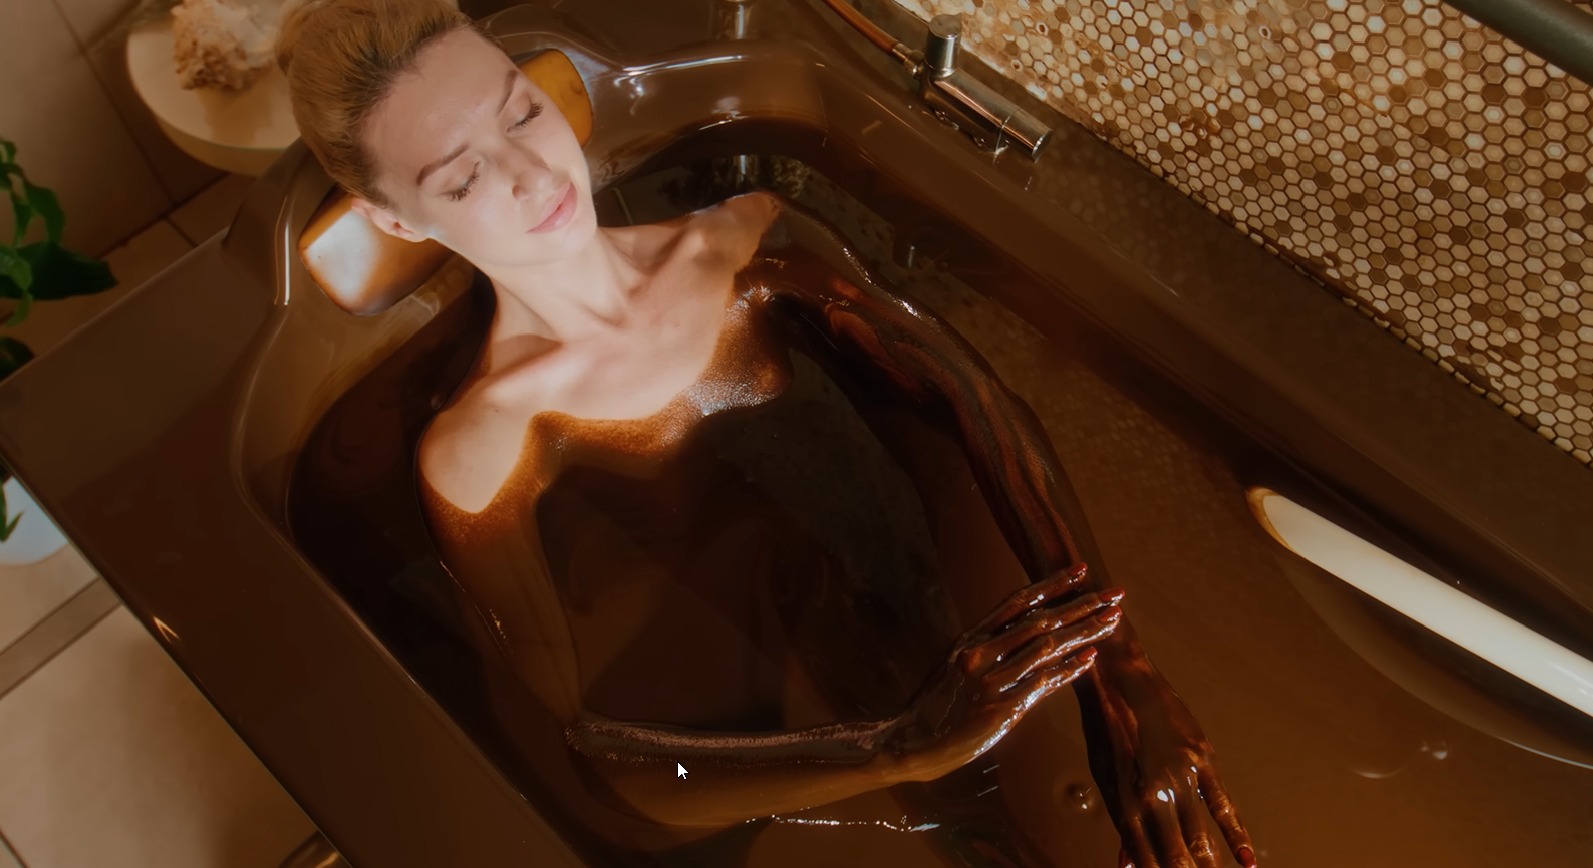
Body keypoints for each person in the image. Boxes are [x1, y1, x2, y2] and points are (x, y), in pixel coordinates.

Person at [277, 1, 1255, 865]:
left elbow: (975, 409)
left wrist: (1126, 674)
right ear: (394, 221)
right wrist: (902, 747)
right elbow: (595, 763)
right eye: (463, 179)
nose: (535, 174)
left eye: (521, 111)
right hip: (810, 748)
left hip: (974, 618)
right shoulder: (484, 446)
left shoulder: (748, 241)